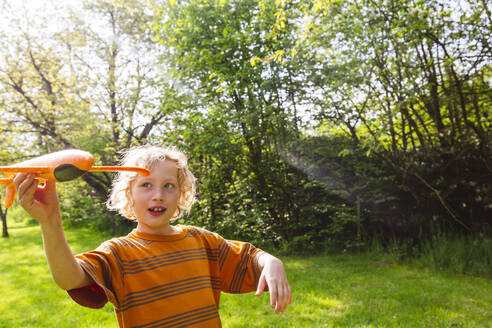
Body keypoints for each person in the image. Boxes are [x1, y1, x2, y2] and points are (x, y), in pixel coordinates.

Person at [13, 145, 291, 327]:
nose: (158, 194)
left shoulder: (204, 242)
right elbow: (69, 277)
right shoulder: (118, 253)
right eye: (146, 184)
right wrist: (50, 221)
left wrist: (271, 262)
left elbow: (251, 258)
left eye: (169, 185)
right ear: (128, 194)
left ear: (181, 195)